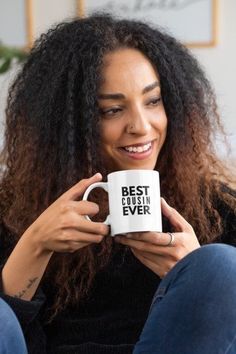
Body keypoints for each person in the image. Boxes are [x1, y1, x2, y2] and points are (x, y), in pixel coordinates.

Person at [0, 13, 235, 354]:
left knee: (219, 267)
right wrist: (35, 245)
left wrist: (194, 276)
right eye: (112, 110)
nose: (141, 126)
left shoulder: (218, 211)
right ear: (67, 125)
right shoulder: (12, 211)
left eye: (153, 101)